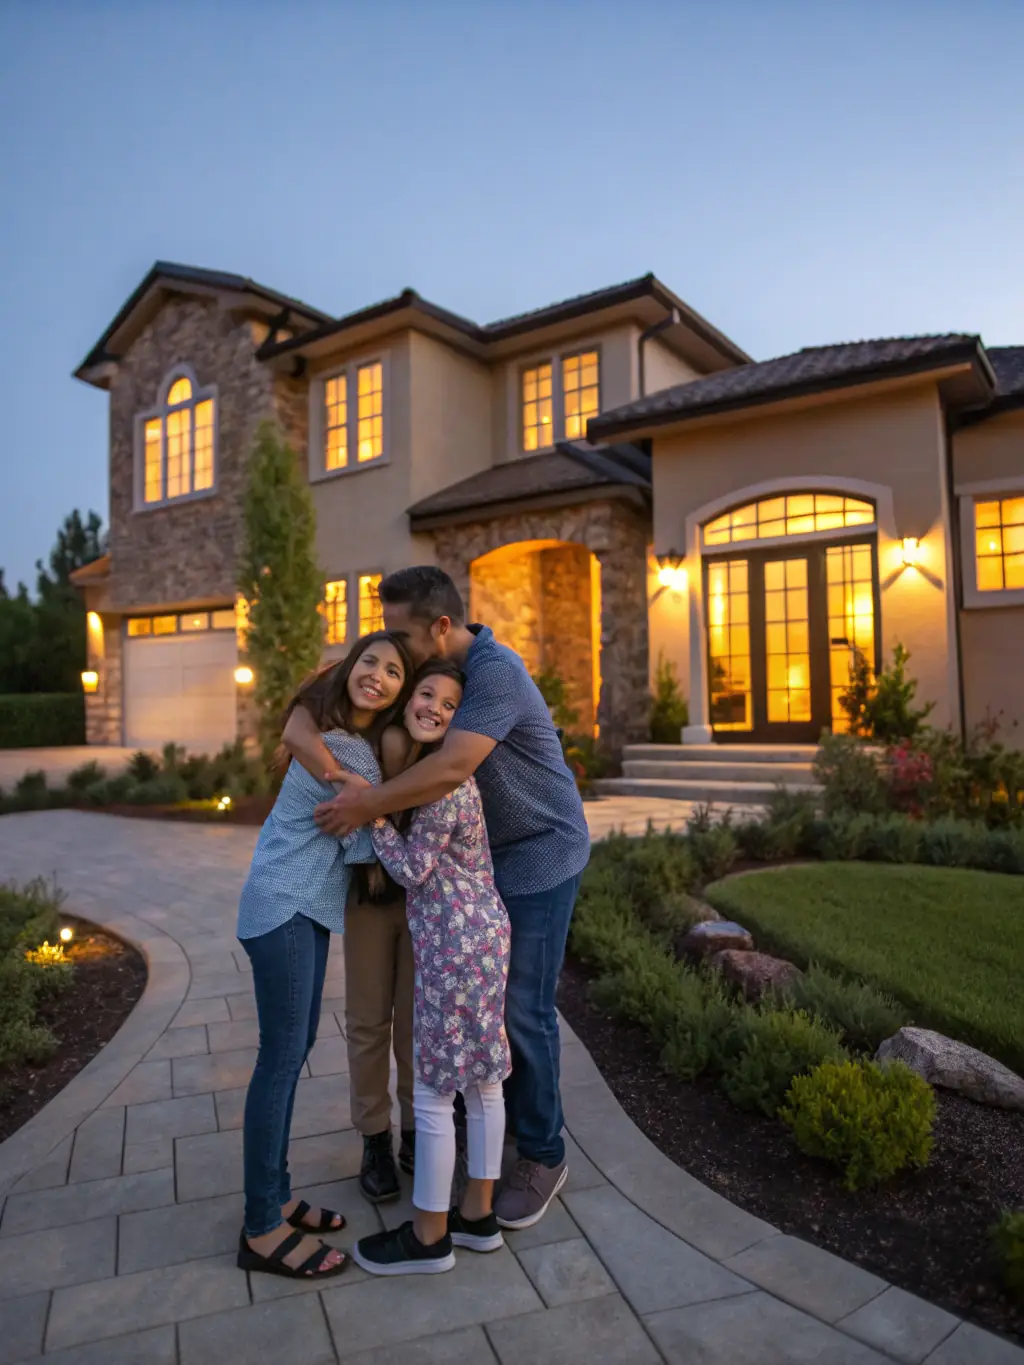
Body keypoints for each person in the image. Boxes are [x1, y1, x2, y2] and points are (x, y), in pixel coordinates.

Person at [283, 566, 590, 1230]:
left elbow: (450, 767)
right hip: (481, 866)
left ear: (441, 628)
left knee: (520, 1008)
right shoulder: (421, 681)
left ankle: (544, 1151)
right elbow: (311, 705)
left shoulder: (494, 675)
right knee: (483, 1011)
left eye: (401, 632)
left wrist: (364, 804)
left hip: (540, 851)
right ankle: (492, 1137)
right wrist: (315, 750)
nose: (390, 645)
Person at [235, 631, 411, 1280]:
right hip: (284, 907)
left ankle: (276, 1196)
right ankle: (261, 1226)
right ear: (349, 668)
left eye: (394, 670)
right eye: (370, 661)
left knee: (290, 1051)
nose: (378, 675)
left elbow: (357, 822)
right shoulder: (346, 752)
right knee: (279, 1062)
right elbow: (368, 851)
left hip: (294, 909)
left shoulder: (340, 743)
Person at [348, 658, 512, 1275]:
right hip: (487, 936)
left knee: (438, 1093)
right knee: (484, 1084)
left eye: (448, 706)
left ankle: (428, 1238)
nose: (434, 709)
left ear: (456, 723)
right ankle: (478, 1216)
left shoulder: (444, 783)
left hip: (453, 945)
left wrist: (376, 816)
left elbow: (413, 870)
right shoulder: (446, 776)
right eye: (426, 695)